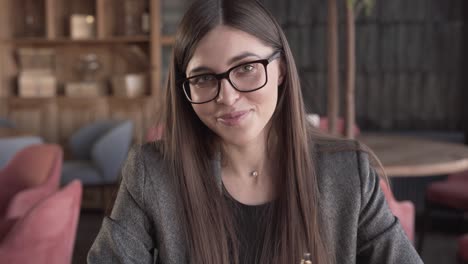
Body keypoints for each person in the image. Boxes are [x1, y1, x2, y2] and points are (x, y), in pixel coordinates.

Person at [88, 0, 423, 263]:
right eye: (204, 78)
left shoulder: (348, 172)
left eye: (247, 68)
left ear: (279, 70)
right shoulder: (151, 172)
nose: (228, 97)